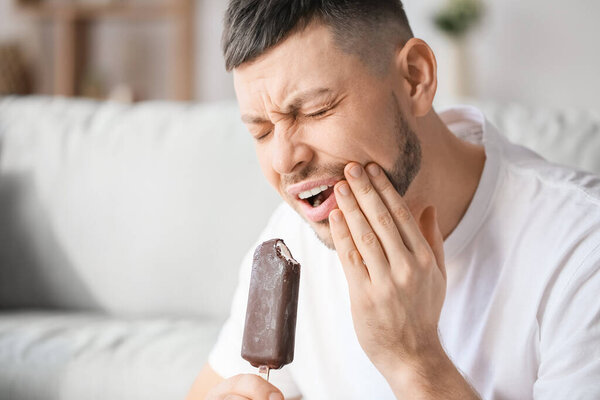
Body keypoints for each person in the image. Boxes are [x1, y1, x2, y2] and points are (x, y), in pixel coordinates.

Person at [187, 1, 600, 399]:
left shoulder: (582, 252)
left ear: (415, 78)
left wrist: (415, 359)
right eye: (260, 132)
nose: (283, 159)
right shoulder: (290, 239)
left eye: (315, 110)